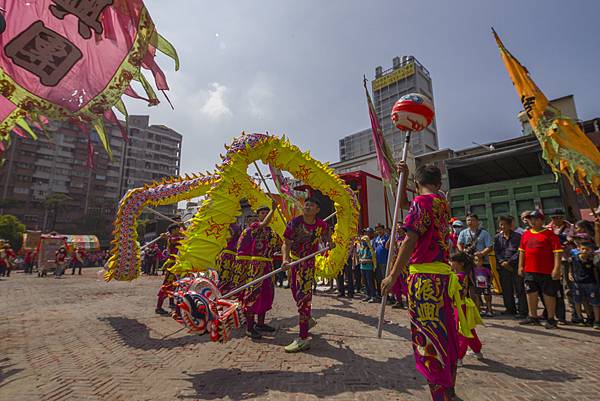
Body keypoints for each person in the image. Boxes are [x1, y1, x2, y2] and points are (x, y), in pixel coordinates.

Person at [382, 162, 462, 401]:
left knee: (428, 337)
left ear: (417, 185)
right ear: (438, 184)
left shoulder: (421, 203)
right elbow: (406, 207)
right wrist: (404, 177)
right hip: (443, 278)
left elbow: (409, 240)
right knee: (445, 334)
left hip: (425, 280)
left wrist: (393, 275)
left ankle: (440, 397)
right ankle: (449, 390)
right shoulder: (442, 204)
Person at [281, 197, 332, 353]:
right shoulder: (295, 222)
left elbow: (327, 238)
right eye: (306, 205)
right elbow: (286, 242)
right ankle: (308, 319)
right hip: (294, 263)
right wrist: (285, 259)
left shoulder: (322, 225)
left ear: (317, 210)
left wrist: (330, 243)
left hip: (308, 264)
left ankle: (303, 338)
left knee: (303, 298)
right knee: (296, 294)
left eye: (311, 205)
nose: (308, 207)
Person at [518, 210, 563, 329]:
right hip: (530, 270)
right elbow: (522, 252)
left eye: (536, 219)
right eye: (531, 219)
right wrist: (520, 266)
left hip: (546, 270)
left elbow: (557, 253)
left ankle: (551, 318)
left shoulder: (550, 235)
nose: (533, 221)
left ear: (542, 220)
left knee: (549, 294)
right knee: (530, 292)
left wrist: (557, 268)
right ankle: (533, 316)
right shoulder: (526, 234)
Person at [242, 204, 280, 340]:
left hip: (268, 265)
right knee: (253, 294)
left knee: (266, 294)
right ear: (258, 216)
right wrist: (274, 209)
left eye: (266, 212)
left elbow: (281, 245)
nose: (264, 214)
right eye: (262, 212)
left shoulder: (272, 232)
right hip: (256, 265)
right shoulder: (255, 226)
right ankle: (249, 327)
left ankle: (261, 324)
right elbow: (264, 223)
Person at [449, 252, 484, 366]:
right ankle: (477, 350)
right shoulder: (464, 275)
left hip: (459, 306)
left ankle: (458, 357)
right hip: (464, 305)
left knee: (461, 331)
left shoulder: (457, 277)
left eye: (452, 261)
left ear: (461, 264)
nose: (450, 263)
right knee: (468, 329)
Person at [494, 215, 526, 317]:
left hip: (515, 266)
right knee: (506, 289)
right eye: (500, 225)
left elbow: (520, 251)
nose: (502, 227)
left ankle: (523, 311)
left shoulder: (517, 236)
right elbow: (497, 252)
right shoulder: (497, 238)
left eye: (504, 224)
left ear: (510, 225)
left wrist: (510, 262)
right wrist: (502, 262)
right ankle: (510, 309)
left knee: (519, 289)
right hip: (503, 267)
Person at [568, 241, 600, 329]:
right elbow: (570, 266)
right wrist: (570, 274)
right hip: (577, 283)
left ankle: (596, 320)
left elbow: (595, 272)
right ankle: (579, 318)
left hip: (590, 283)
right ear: (579, 249)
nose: (585, 251)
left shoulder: (593, 260)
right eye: (583, 249)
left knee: (595, 302)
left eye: (588, 249)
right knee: (578, 301)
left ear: (592, 250)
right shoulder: (574, 258)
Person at [156, 224, 183, 315]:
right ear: (174, 230)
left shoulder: (174, 237)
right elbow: (184, 239)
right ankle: (158, 307)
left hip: (178, 265)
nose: (179, 230)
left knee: (178, 285)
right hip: (172, 265)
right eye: (178, 229)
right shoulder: (172, 239)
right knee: (167, 285)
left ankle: (174, 306)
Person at [216, 222, 242, 295]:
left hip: (226, 253)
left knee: (222, 276)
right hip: (234, 254)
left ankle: (221, 292)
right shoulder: (238, 226)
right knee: (230, 276)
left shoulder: (224, 225)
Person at [373, 224, 390, 300]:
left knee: (385, 278)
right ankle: (380, 294)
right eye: (377, 230)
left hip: (385, 261)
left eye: (380, 229)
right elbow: (374, 249)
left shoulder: (387, 237)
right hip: (377, 262)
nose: (379, 231)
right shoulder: (376, 238)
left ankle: (388, 296)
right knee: (378, 279)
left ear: (383, 229)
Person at [358, 235, 377, 302]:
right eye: (362, 241)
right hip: (362, 267)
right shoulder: (361, 249)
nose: (363, 242)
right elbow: (359, 257)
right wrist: (360, 260)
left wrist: (365, 260)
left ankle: (373, 296)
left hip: (369, 268)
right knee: (365, 282)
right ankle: (367, 295)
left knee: (370, 282)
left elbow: (373, 259)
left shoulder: (371, 249)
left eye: (364, 241)